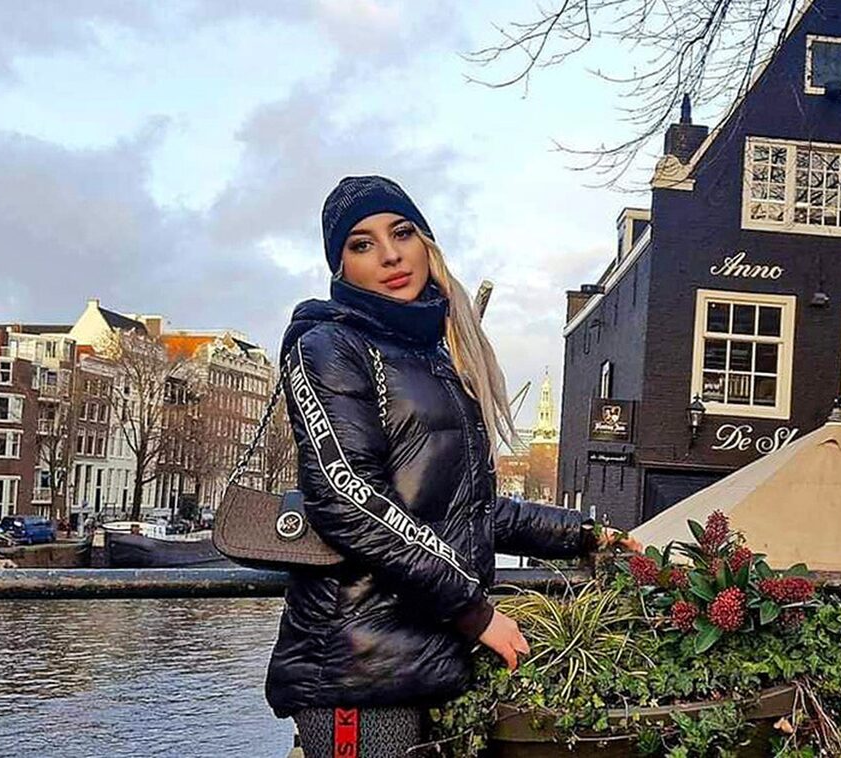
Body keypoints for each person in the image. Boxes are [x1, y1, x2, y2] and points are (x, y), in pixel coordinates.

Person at [266, 176, 640, 757]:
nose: (390, 255)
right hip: (359, 667)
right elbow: (348, 499)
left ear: (426, 242)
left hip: (427, 656)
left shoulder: (435, 355)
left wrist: (583, 535)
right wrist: (474, 612)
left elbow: (465, 509)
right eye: (362, 244)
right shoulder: (328, 347)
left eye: (401, 232)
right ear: (341, 268)